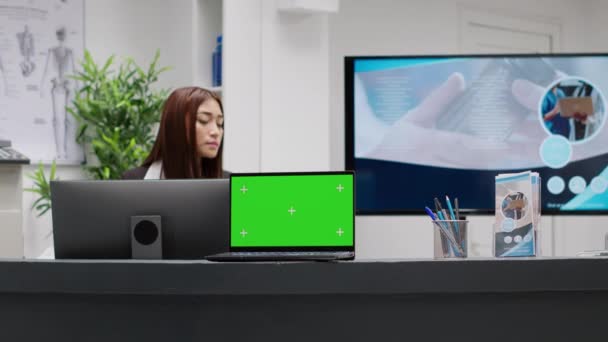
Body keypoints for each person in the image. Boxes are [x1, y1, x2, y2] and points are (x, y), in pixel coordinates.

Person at [122, 86, 228, 179]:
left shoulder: (237, 186)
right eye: (203, 120)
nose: (216, 132)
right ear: (176, 124)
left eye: (219, 124)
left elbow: (243, 200)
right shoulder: (133, 181)